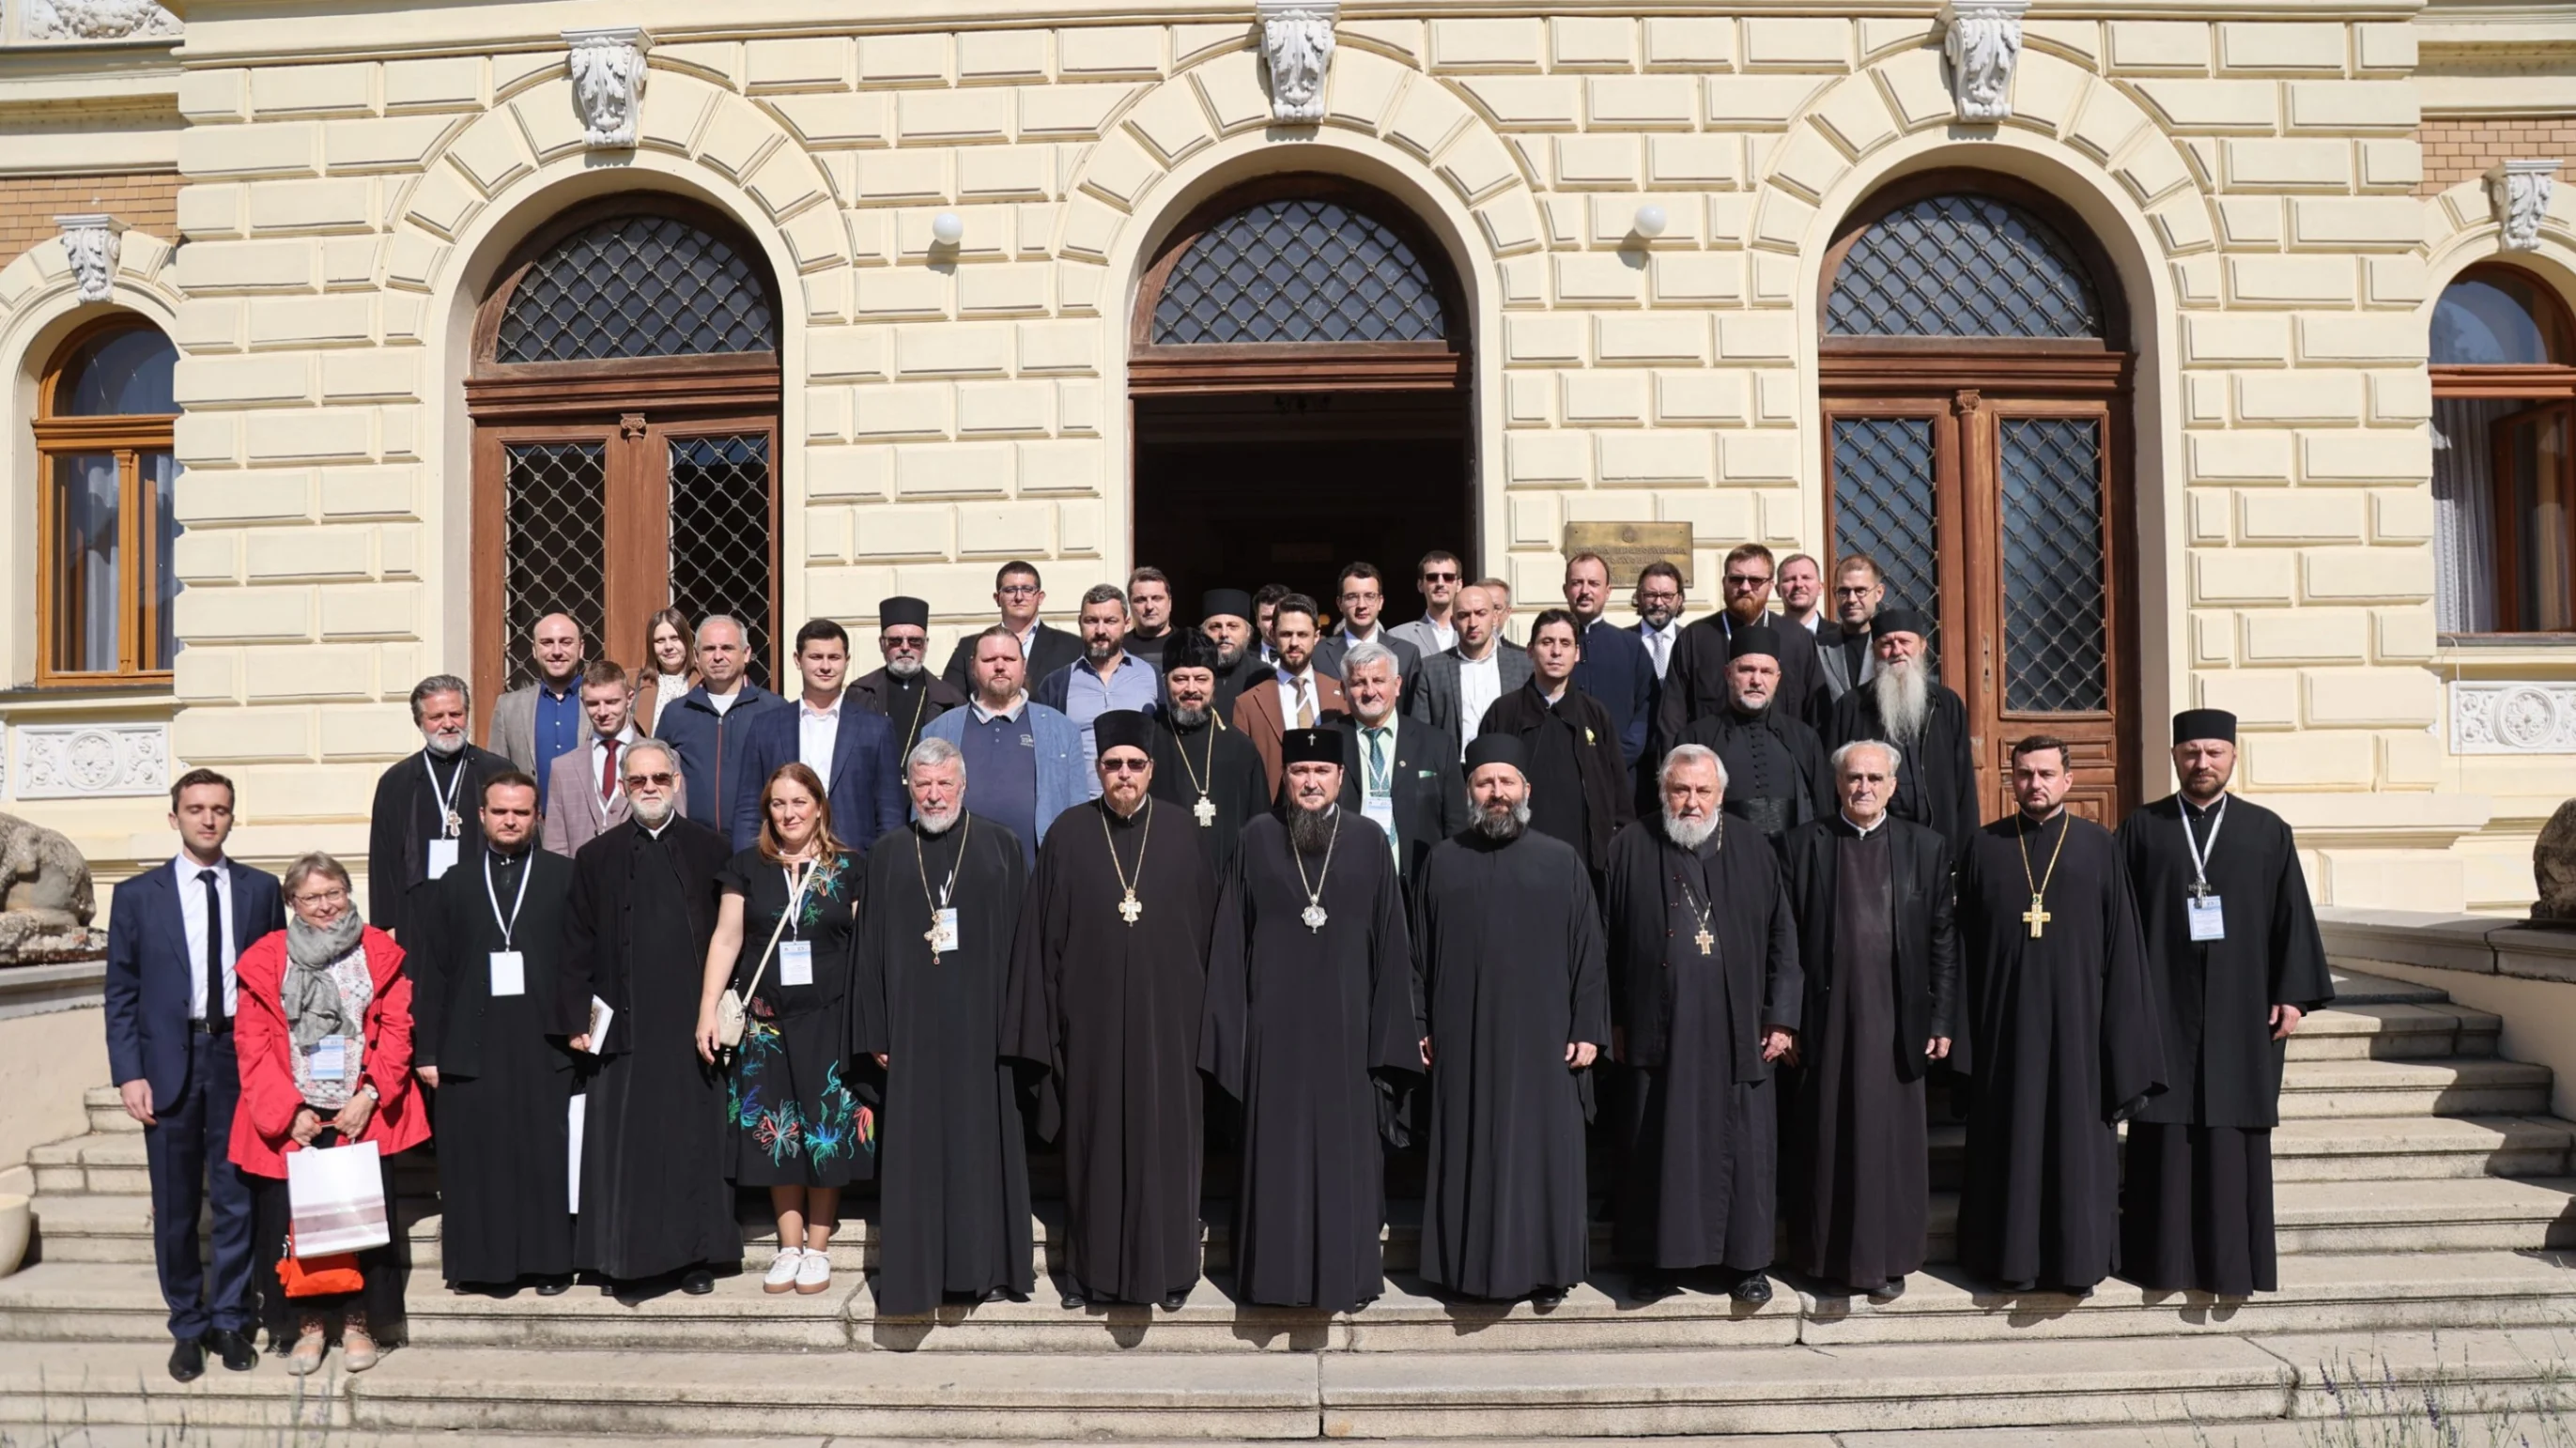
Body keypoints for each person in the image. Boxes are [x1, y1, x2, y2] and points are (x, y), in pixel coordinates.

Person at [1201, 728, 1421, 1313]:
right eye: (1300, 772)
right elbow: (1228, 942)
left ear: (1341, 780)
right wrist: (1231, 1036)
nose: (1310, 782)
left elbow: (1393, 947)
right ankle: (1272, 1281)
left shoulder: (1371, 842)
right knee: (1276, 1158)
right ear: (1285, 778)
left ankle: (1346, 1278)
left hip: (1349, 1034)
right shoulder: (1255, 838)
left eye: (1322, 772)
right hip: (1271, 1038)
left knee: (1343, 1159)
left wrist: (1389, 1036)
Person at [1003, 711, 1216, 1312]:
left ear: (1152, 769)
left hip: (1168, 1032)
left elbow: (1209, 940)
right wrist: (1045, 1026)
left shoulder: (1181, 833)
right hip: (1088, 1029)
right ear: (1097, 770)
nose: (1124, 774)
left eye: (1135, 765)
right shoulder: (1070, 834)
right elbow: (1041, 941)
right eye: (1113, 764)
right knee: (1092, 1149)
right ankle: (1088, 1276)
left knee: (1167, 1147)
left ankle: (1173, 1274)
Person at [2117, 709, 2332, 1299]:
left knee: (2232, 1131)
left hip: (2243, 1007)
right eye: (2190, 752)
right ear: (2175, 757)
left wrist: (2292, 995)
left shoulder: (2267, 830)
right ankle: (2159, 1265)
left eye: (2213, 752)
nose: (2201, 763)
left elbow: (2291, 917)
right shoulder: (2143, 828)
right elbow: (2118, 923)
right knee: (2162, 1128)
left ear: (2233, 757)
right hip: (2161, 1002)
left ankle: (2233, 1268)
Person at [1951, 736, 2166, 1296]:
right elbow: (1963, 949)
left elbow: (2123, 947)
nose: (2035, 784)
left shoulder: (2099, 847)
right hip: (2006, 1030)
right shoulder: (1983, 847)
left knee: (2076, 1144)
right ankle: (2007, 1260)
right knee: (2009, 1141)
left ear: (2068, 780)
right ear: (2011, 780)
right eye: (2024, 774)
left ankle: (2077, 1263)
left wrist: (2122, 1038)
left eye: (2046, 773)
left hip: (2079, 1030)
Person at [1411, 736, 1608, 1308]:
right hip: (1463, 1038)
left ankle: (1547, 1272)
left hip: (1547, 1041)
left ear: (1526, 790)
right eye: (1484, 783)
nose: (1496, 793)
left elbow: (1590, 953)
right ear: (1468, 791)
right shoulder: (1443, 861)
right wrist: (1421, 1020)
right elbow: (1415, 955)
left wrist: (1588, 1027)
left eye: (1506, 782)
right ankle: (1462, 1270)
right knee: (1468, 1149)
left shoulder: (1561, 860)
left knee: (1542, 1154)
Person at [104, 769, 285, 1382]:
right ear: (174, 816)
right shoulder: (136, 897)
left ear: (233, 818)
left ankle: (232, 1318)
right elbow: (121, 992)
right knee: (177, 1205)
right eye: (196, 808)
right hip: (170, 1062)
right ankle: (187, 1324)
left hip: (239, 1057)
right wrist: (129, 1073)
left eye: (220, 809)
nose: (208, 819)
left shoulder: (260, 890)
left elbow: (275, 981)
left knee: (235, 1199)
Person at [1604, 745, 1799, 1304]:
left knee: (1744, 1150)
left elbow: (1784, 938)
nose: (1691, 802)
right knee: (1654, 1145)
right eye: (1680, 790)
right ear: (1664, 792)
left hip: (1739, 1031)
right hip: (1655, 1029)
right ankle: (1655, 1263)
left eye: (1702, 791)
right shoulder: (1630, 846)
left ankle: (1747, 1266)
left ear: (1720, 794)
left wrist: (1782, 1016)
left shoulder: (1753, 847)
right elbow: (1606, 944)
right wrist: (1613, 1019)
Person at [856, 738, 1037, 1315]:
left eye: (944, 783)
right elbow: (867, 954)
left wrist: (1016, 1027)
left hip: (983, 1034)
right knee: (917, 1154)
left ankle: (983, 1267)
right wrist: (875, 1030)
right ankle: (919, 1272)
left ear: (963, 786)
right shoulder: (886, 853)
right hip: (909, 1034)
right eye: (923, 784)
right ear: (909, 788)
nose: (933, 794)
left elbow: (1022, 951)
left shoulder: (1001, 848)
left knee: (979, 1147)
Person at [231, 852, 426, 1375]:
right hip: (296, 1114)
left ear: (348, 892)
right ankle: (309, 1328)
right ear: (292, 902)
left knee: (359, 1222)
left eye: (334, 892)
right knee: (295, 1225)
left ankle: (360, 1325)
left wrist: (372, 1094)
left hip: (359, 1108)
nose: (325, 905)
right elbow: (250, 1042)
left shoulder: (377, 951)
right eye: (312, 896)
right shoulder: (267, 957)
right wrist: (286, 1110)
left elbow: (398, 1028)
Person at [558, 739, 739, 1296]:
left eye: (660, 778)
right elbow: (575, 947)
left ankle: (697, 1258)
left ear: (677, 782)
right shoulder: (596, 857)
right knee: (625, 1149)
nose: (651, 788)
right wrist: (576, 1020)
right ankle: (619, 1260)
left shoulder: (712, 850)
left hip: (692, 1027)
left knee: (691, 1144)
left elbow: (732, 938)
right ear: (624, 788)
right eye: (638, 781)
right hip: (623, 1029)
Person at [1779, 739, 1958, 1301]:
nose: (1863, 787)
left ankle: (1890, 1257)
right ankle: (1823, 1258)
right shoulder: (1801, 845)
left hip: (1896, 1019)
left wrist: (1942, 1017)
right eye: (1854, 778)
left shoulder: (1924, 846)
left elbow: (1943, 941)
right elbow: (1781, 941)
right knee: (1826, 1138)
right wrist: (1784, 1018)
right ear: (1837, 784)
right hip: (1826, 1021)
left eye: (1875, 779)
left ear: (1894, 786)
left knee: (1892, 1144)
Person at [696, 763, 870, 1299]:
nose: (789, 813)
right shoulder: (747, 866)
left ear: (819, 806)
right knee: (778, 1132)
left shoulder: (850, 868)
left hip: (830, 1021)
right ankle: (788, 1245)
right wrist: (706, 1011)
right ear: (767, 810)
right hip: (766, 1025)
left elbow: (867, 946)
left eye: (799, 802)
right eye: (779, 803)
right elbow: (727, 939)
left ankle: (818, 1247)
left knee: (824, 1131)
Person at [408, 772, 577, 1294]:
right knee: (475, 1161)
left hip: (542, 1041)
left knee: (541, 1157)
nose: (509, 820)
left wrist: (581, 1033)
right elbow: (433, 970)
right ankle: (480, 1266)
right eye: (500, 811)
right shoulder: (454, 883)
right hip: (469, 1043)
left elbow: (583, 965)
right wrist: (428, 1051)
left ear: (537, 818)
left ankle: (548, 1264)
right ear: (480, 817)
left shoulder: (564, 876)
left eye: (520, 812)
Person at [1475, 609, 1632, 878]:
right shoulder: (1504, 712)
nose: (1556, 652)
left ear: (1577, 654)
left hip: (1585, 862)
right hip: (1516, 859)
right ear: (1529, 651)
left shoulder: (1595, 714)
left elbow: (1618, 789)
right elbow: (1481, 785)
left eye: (1565, 643)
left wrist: (1617, 843)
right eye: (1547, 643)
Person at [728, 618, 904, 855]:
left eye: (834, 657)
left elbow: (890, 813)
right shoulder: (766, 727)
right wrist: (747, 871)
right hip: (782, 864)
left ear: (846, 661)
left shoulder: (876, 729)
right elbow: (749, 809)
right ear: (797, 660)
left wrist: (884, 873)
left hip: (854, 867)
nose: (825, 666)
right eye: (815, 657)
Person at [918, 626, 1088, 871]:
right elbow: (922, 812)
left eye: (1009, 659)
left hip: (1037, 875)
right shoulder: (939, 730)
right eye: (989, 659)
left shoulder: (1061, 730)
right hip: (958, 875)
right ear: (973, 666)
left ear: (1024, 664)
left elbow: (1078, 812)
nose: (1000, 666)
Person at [1822, 608, 1982, 862]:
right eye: (1886, 644)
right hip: (1869, 846)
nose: (1896, 651)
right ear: (1874, 651)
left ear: (1921, 646)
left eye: (1904, 642)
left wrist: (1967, 851)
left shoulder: (1946, 704)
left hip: (1936, 842)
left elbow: (1963, 782)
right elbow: (1833, 782)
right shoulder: (1851, 706)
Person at [365, 675, 508, 941]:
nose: (448, 724)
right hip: (417, 916)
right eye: (437, 716)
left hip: (487, 910)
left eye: (456, 713)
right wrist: (385, 924)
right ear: (420, 722)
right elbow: (382, 859)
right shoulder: (397, 781)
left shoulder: (498, 772)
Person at [1333, 641, 1468, 901]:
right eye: (1359, 682)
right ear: (1344, 689)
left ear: (1397, 685)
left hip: (1417, 887)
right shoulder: (1327, 742)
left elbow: (1456, 821)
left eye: (1379, 680)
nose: (1370, 691)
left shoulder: (1437, 743)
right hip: (1344, 887)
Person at [1677, 624, 1833, 849]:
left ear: (1777, 678)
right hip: (1725, 863)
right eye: (1746, 670)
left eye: (1766, 672)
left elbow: (1823, 812)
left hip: (1793, 864)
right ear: (1728, 674)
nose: (1756, 681)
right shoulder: (1697, 737)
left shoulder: (1804, 738)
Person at [1658, 545, 1832, 743]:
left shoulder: (1797, 639)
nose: (1745, 587)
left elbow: (1818, 717)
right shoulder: (1695, 638)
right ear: (1724, 582)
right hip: (1711, 763)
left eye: (1756, 580)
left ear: (1770, 585)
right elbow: (1672, 718)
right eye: (1736, 579)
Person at [1148, 628, 1272, 877]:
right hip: (1162, 881)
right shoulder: (1147, 743)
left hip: (1227, 882)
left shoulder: (1241, 748)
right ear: (1164, 682)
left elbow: (1260, 828)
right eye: (1180, 679)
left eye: (1201, 679)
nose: (1191, 689)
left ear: (1214, 684)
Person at [656, 613, 789, 827]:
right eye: (709, 649)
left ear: (746, 654)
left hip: (757, 842)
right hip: (693, 842)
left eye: (727, 648)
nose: (718, 656)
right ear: (697, 656)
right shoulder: (677, 713)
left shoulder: (774, 710)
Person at [1033, 584, 1162, 781]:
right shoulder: (1056, 684)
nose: (1100, 630)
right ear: (1080, 623)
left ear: (1127, 623)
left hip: (1140, 804)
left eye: (1110, 621)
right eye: (1091, 621)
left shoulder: (1152, 676)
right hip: (1081, 805)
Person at [1232, 593, 1349, 797]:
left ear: (1316, 636)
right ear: (1274, 635)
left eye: (1302, 634)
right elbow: (1240, 773)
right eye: (1286, 634)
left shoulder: (1342, 695)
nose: (1294, 643)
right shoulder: (1248, 703)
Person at [1563, 551, 1657, 771]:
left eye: (1593, 583)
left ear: (1607, 591)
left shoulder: (1631, 645)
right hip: (1564, 771)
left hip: (1620, 773)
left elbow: (1647, 709)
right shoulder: (1551, 645)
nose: (1585, 591)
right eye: (1577, 583)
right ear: (1566, 590)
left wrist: (1618, 757)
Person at [541, 660, 645, 858]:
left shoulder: (663, 759)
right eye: (593, 704)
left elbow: (676, 835)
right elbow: (555, 847)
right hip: (581, 883)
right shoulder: (563, 768)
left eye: (612, 702)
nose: (603, 712)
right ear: (583, 703)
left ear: (629, 698)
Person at [1409, 584, 1529, 755]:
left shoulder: (1523, 665)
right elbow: (1422, 732)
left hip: (1509, 768)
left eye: (1481, 613)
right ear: (1453, 623)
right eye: (1464, 616)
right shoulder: (1431, 669)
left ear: (1495, 618)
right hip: (1454, 772)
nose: (1473, 623)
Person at [490, 612, 589, 812]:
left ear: (581, 648)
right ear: (534, 650)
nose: (557, 651)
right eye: (546, 642)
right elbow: (495, 774)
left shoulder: (604, 704)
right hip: (531, 827)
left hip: (589, 826)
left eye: (566, 642)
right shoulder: (508, 707)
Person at [940, 560, 1083, 693]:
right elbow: (950, 701)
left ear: (1040, 597)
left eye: (1027, 589)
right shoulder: (968, 648)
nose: (1019, 597)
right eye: (1010, 590)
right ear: (997, 598)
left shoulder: (1072, 647)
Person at [849, 596, 964, 759]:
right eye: (895, 641)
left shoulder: (950, 699)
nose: (905, 647)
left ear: (925, 645)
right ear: (882, 644)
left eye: (914, 641)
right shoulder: (859, 694)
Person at [1314, 562, 1423, 685]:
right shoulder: (1318, 653)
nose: (1361, 605)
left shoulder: (1406, 654)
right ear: (1339, 603)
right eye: (1352, 597)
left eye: (1369, 596)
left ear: (1380, 602)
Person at [1815, 554, 1887, 702]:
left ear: (1879, 593)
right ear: (1834, 594)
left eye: (1861, 591)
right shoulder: (1817, 647)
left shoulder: (1893, 647)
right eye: (1844, 591)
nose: (1852, 599)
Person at [1196, 588, 1268, 718]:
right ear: (1203, 634)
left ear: (1248, 633)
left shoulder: (1266, 675)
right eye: (1215, 627)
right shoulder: (1191, 675)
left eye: (1233, 626)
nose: (1224, 634)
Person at [635, 607, 700, 737]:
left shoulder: (706, 682)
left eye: (675, 638)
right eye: (660, 640)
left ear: (686, 641)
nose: (668, 647)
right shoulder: (634, 682)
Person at [1388, 549, 1463, 658]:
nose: (1440, 583)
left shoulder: (1476, 631)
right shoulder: (1398, 636)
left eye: (1448, 577)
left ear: (1459, 584)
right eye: (1432, 577)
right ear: (1420, 585)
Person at [1632, 562, 1686, 682]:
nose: (1658, 603)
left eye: (1667, 595)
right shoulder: (1623, 643)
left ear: (1680, 599)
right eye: (1651, 595)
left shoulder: (1690, 642)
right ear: (1639, 597)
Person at [1124, 566, 1177, 667]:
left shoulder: (1189, 645)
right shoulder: (1118, 650)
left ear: (1170, 603)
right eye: (1141, 600)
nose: (1149, 606)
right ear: (1130, 604)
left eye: (1156, 598)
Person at [1776, 553, 1826, 634]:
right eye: (1790, 579)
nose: (1798, 584)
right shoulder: (1765, 639)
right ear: (1777, 590)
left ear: (1820, 587)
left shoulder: (1841, 639)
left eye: (1806, 577)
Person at [1252, 583, 1289, 667]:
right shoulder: (1243, 661)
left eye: (1278, 617)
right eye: (1267, 618)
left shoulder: (1314, 658)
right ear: (1258, 621)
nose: (1273, 624)